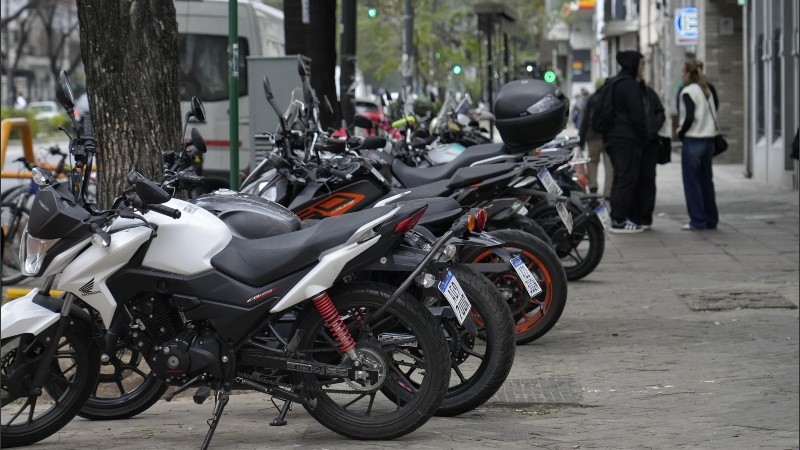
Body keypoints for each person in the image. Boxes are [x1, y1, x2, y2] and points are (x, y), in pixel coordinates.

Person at [604, 50, 648, 233]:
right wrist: (644, 135)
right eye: (642, 63)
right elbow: (637, 116)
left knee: (620, 177)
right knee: (626, 178)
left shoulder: (615, 82)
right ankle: (619, 219)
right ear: (634, 64)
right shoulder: (629, 85)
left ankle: (616, 216)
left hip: (614, 138)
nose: (643, 67)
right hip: (626, 139)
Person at [677, 59, 719, 231]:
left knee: (692, 183)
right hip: (709, 140)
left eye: (682, 71)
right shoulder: (707, 89)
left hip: (693, 140)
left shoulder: (688, 91)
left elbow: (689, 116)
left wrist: (680, 132)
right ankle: (711, 219)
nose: (681, 75)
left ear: (688, 73)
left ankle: (698, 221)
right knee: (706, 181)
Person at [629, 76, 666, 230]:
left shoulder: (649, 94)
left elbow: (660, 113)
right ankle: (635, 216)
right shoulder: (629, 94)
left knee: (648, 179)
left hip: (650, 143)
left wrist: (651, 129)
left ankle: (645, 217)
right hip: (633, 142)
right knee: (633, 179)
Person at [578, 78, 613, 196]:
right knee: (609, 163)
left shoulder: (591, 99)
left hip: (592, 136)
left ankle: (593, 185)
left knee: (593, 161)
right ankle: (608, 191)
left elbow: (585, 120)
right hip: (608, 137)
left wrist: (581, 140)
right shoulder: (611, 99)